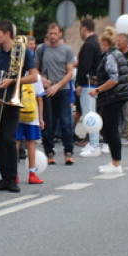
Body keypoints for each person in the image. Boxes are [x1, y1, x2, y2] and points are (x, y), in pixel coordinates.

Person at [0, 20, 38, 193]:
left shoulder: (23, 52)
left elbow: (34, 77)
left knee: (9, 140)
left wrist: (13, 81)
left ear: (7, 34)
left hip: (11, 101)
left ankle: (13, 178)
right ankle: (4, 179)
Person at [90, 27, 128, 174]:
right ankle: (115, 161)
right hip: (119, 95)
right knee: (111, 129)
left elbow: (114, 79)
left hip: (113, 96)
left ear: (104, 42)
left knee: (112, 129)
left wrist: (98, 89)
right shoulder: (118, 54)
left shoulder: (109, 56)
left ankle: (116, 164)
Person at [36, 22, 77, 165]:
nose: (52, 36)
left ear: (60, 34)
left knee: (66, 121)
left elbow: (70, 72)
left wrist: (58, 86)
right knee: (48, 122)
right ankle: (49, 151)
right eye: (50, 33)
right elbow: (35, 69)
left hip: (63, 90)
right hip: (47, 90)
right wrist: (42, 79)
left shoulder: (67, 50)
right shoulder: (41, 49)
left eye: (55, 33)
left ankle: (68, 151)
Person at [75, 18, 102, 155]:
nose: (80, 32)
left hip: (88, 84)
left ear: (84, 28)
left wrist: (78, 83)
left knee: (89, 116)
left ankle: (94, 144)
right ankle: (93, 142)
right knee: (91, 114)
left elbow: (84, 66)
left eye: (80, 29)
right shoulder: (96, 43)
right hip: (93, 83)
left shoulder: (88, 45)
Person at [16, 78, 45, 184]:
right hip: (32, 114)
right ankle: (32, 174)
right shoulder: (35, 77)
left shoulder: (16, 74)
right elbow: (39, 98)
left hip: (17, 112)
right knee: (31, 142)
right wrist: (41, 118)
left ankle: (15, 173)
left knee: (16, 142)